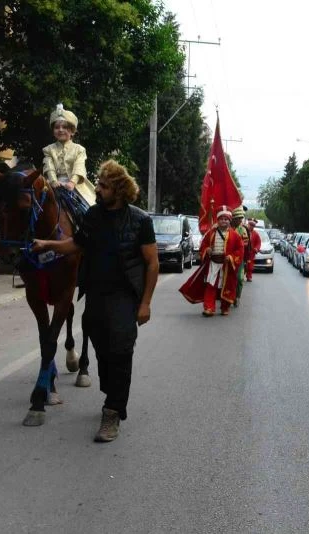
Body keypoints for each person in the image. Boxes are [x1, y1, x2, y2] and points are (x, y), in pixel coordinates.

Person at [32, 160, 159, 442]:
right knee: (102, 351)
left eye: (103, 186)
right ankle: (111, 393)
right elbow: (76, 244)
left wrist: (145, 303)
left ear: (118, 189)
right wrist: (48, 244)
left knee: (120, 351)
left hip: (125, 296)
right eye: (98, 185)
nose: (98, 190)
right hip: (97, 294)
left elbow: (152, 264)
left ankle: (112, 411)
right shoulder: (92, 216)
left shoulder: (140, 221)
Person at [179, 206, 244, 316]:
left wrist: (232, 257)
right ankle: (209, 307)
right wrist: (206, 249)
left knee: (226, 286)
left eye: (226, 219)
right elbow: (203, 245)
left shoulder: (235, 235)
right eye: (221, 219)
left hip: (227, 265)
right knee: (211, 285)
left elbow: (240, 249)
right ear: (217, 220)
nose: (224, 221)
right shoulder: (211, 233)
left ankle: (225, 307)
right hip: (213, 263)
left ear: (230, 221)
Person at [42, 104, 95, 218]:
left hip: (74, 185)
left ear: (72, 132)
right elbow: (49, 167)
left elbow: (79, 167)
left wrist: (72, 183)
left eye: (65, 127)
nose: (60, 130)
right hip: (53, 184)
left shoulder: (79, 149)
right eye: (57, 127)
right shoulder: (48, 149)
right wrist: (53, 181)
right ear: (53, 131)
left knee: (88, 209)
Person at [231, 207, 249, 306]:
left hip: (239, 258)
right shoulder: (227, 228)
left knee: (239, 278)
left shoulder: (243, 229)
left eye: (241, 218)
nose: (240, 220)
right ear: (233, 218)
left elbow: (246, 242)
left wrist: (238, 244)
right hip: (227, 257)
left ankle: (237, 296)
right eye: (238, 218)